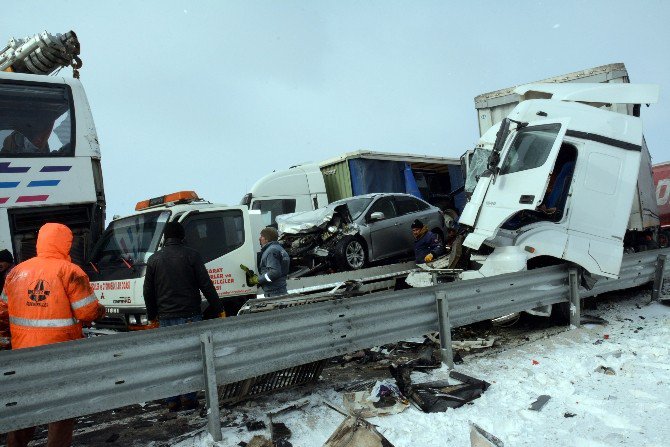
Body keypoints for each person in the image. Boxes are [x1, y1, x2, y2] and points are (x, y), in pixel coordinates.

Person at [0, 223, 105, 447]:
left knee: (24, 407)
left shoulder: (17, 272)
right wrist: (100, 311)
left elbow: (2, 312)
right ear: (66, 243)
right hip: (61, 355)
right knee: (61, 410)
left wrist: (6, 341)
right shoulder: (70, 271)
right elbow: (87, 312)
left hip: (23, 357)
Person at [142, 221, 223, 412]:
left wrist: (152, 315)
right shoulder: (192, 255)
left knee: (171, 358)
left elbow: (148, 291)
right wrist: (218, 308)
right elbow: (206, 284)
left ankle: (172, 399)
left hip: (166, 317)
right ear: (182, 236)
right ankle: (189, 398)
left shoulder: (154, 259)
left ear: (165, 238)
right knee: (192, 358)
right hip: (191, 315)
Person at [246, 227, 290, 297]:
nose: (260, 238)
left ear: (267, 238)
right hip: (280, 290)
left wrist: (258, 280)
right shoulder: (280, 249)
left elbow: (274, 273)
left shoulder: (271, 251)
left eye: (262, 236)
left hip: (274, 293)